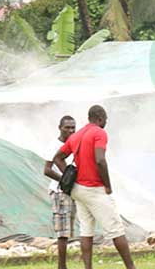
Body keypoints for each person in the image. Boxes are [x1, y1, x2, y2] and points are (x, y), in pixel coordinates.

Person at [53, 105, 136, 269]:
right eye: (105, 120)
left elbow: (58, 158)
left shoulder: (76, 135)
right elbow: (100, 160)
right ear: (99, 118)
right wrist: (108, 185)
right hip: (94, 188)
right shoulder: (99, 133)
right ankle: (131, 267)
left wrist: (70, 178)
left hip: (78, 189)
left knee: (86, 230)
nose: (105, 123)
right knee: (116, 229)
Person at [42, 115, 76, 269]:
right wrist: (64, 180)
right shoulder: (54, 146)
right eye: (67, 127)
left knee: (69, 229)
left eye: (73, 127)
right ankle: (61, 266)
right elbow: (47, 170)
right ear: (60, 128)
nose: (70, 130)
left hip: (72, 190)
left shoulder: (74, 144)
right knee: (62, 232)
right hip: (60, 192)